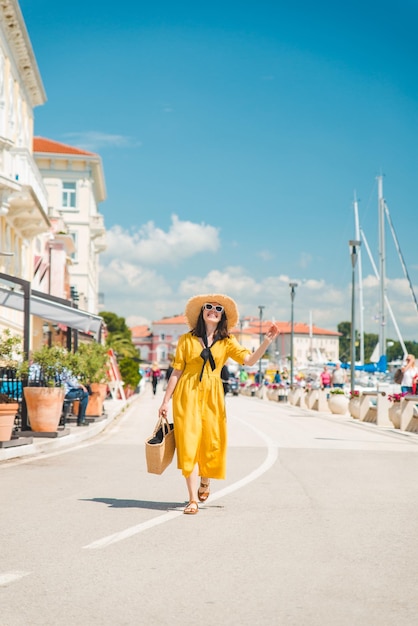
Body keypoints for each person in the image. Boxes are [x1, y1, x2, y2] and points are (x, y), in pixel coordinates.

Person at [158, 294, 279, 515]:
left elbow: (249, 361)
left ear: (222, 315)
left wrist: (267, 342)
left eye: (218, 308)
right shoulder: (186, 340)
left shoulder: (227, 342)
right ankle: (192, 499)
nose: (213, 310)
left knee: (211, 442)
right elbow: (177, 370)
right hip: (187, 394)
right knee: (188, 444)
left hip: (213, 396)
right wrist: (166, 400)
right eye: (208, 307)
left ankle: (206, 480)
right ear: (202, 312)